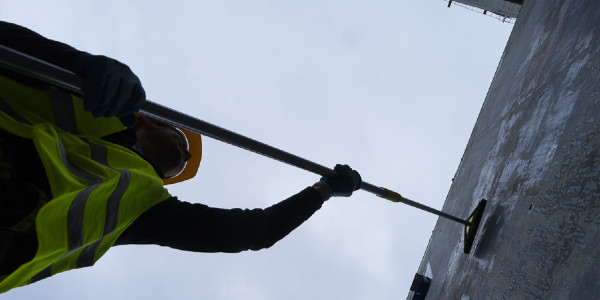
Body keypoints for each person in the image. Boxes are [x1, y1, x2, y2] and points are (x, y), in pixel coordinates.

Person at [0, 21, 362, 294]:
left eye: (184, 162)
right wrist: (78, 63)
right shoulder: (100, 100)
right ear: (154, 122)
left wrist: (321, 191)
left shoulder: (147, 206)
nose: (186, 154)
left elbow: (255, 231)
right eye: (182, 138)